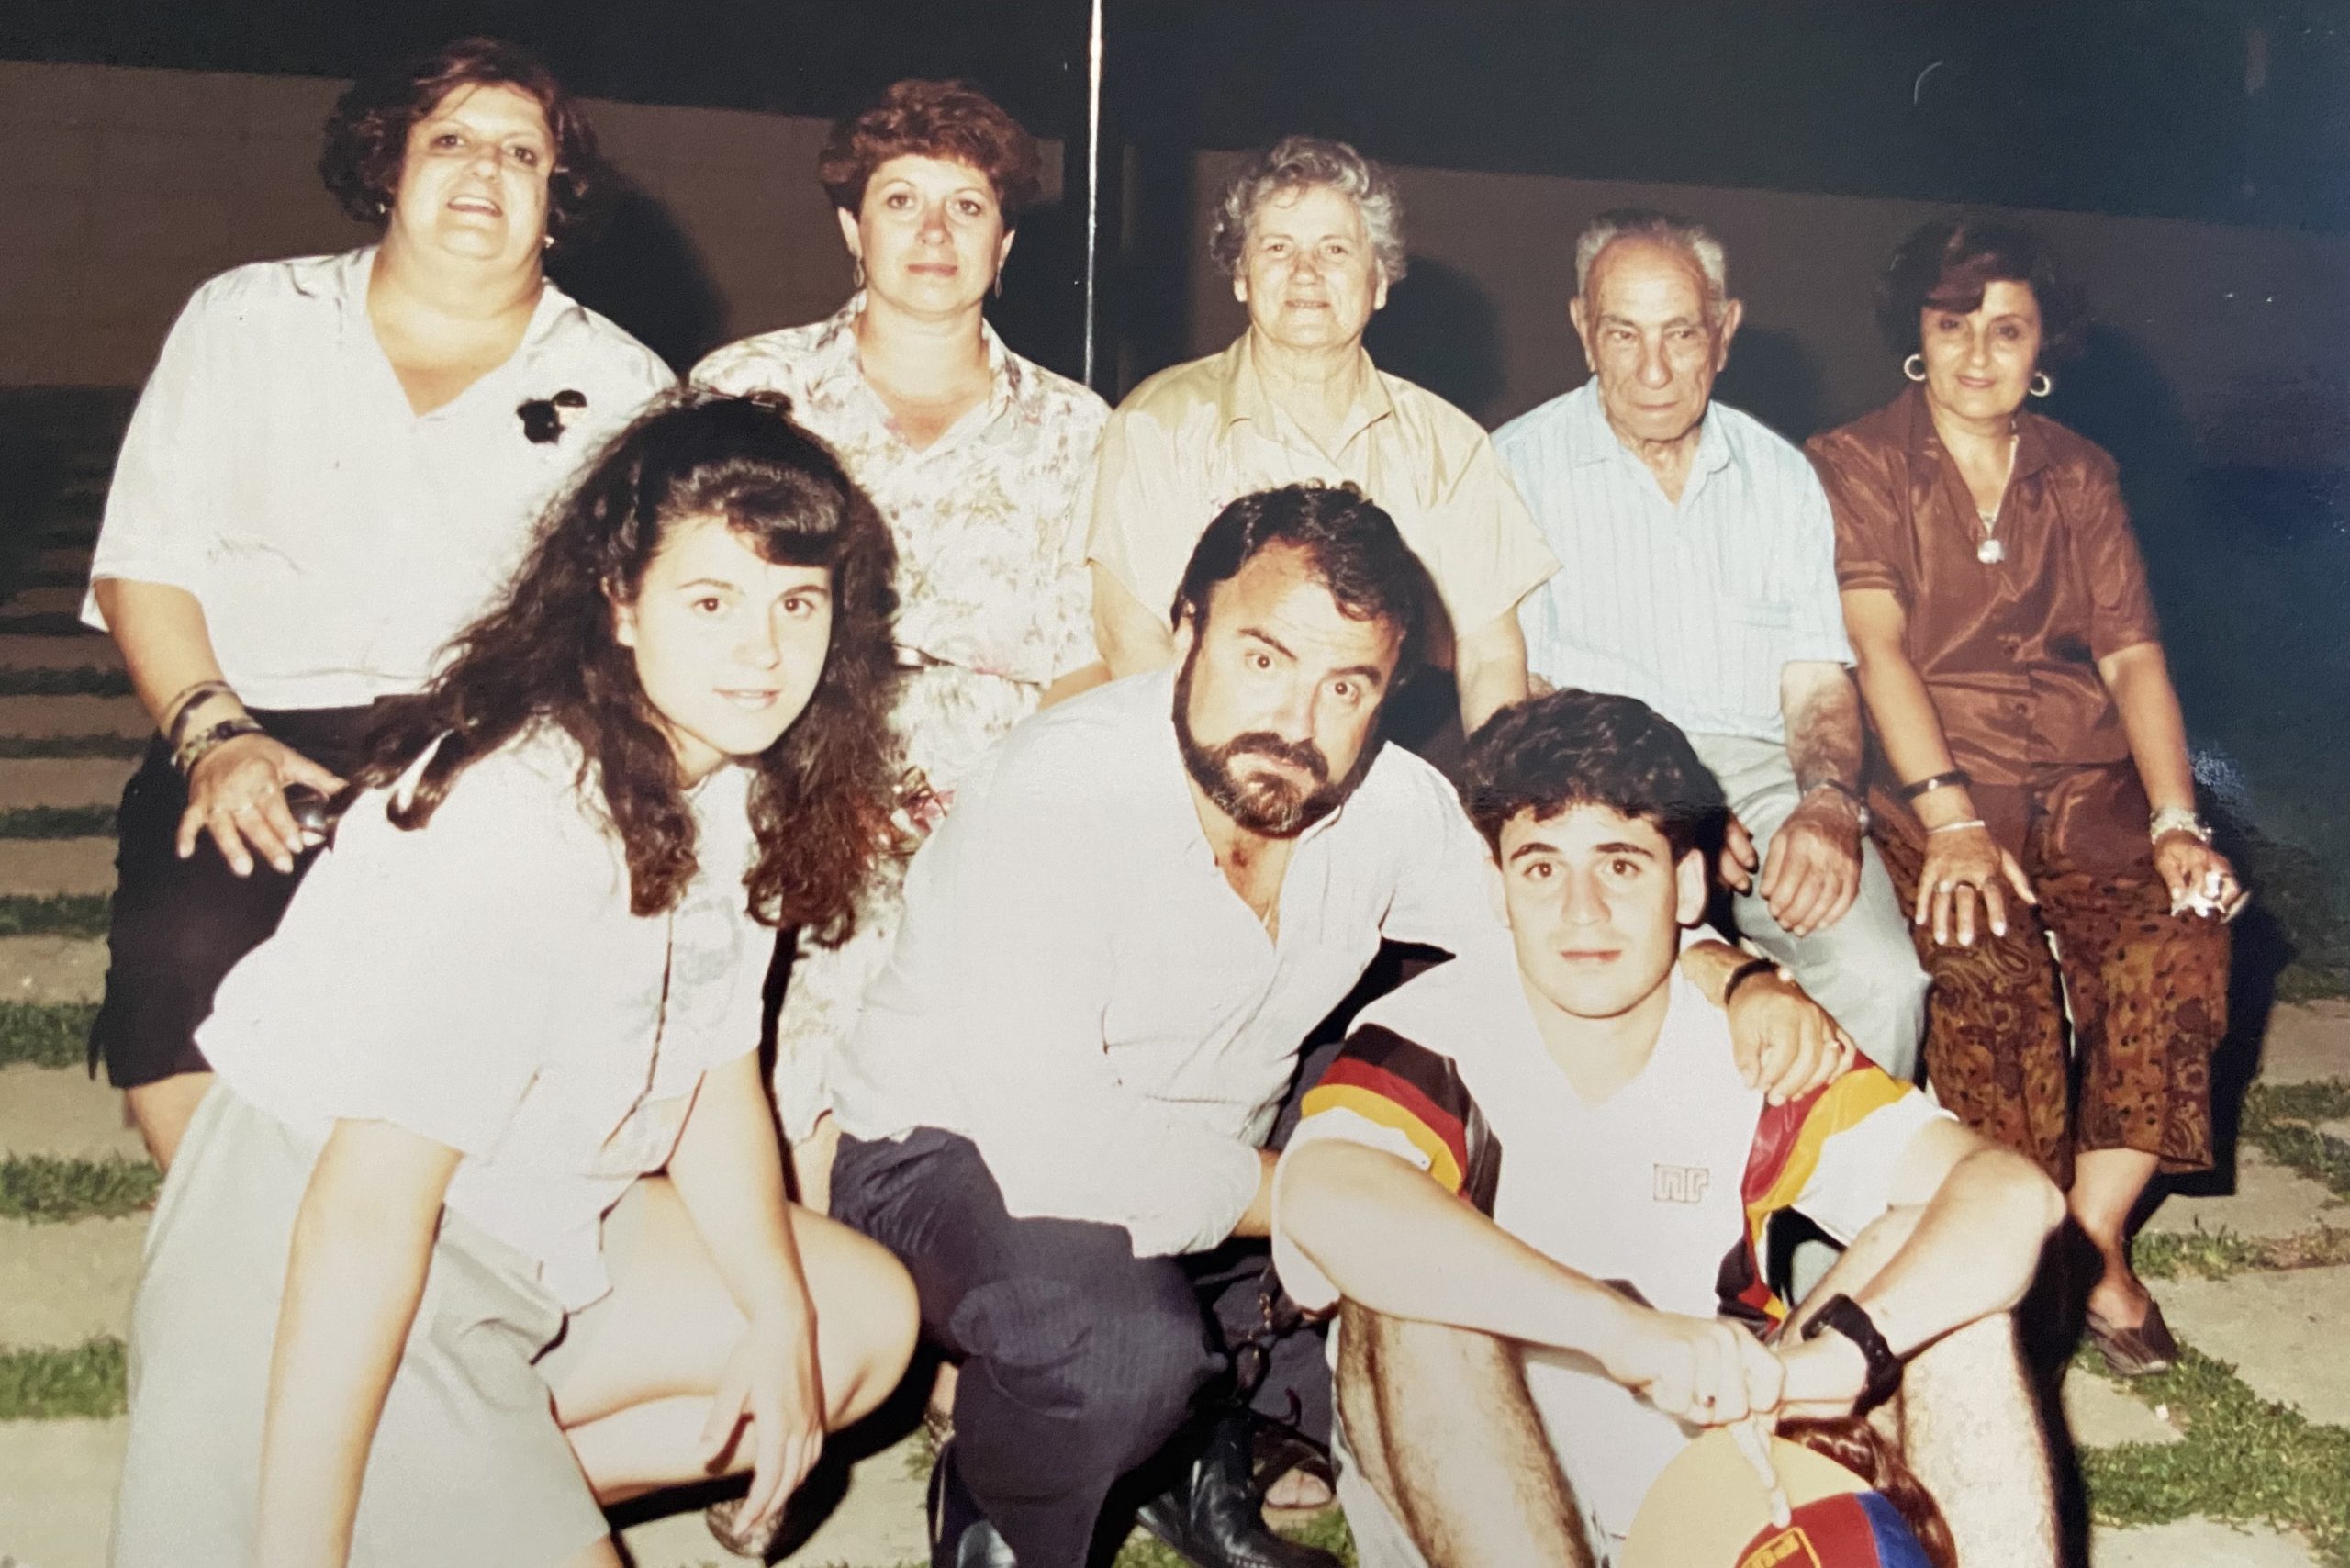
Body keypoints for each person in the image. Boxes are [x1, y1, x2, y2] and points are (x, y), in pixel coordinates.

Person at [823, 483, 1858, 1568]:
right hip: (957, 1159)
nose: (1295, 723)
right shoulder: (1056, 792)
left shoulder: (1385, 800)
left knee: (1463, 1200)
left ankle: (1197, 1443)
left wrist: (1732, 974)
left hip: (1223, 1162)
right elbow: (1055, 1153)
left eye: (1345, 685)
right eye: (1262, 659)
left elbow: (1547, 928)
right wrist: (1334, 1195)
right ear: (1185, 635)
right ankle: (1001, 1494)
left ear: (1387, 690)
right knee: (1121, 1349)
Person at [110, 394, 920, 1568]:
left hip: (512, 1223)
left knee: (857, 1319)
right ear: (620, 605)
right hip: (312, 1246)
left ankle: (443, 1505)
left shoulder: (724, 771)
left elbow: (711, 1067)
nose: (763, 650)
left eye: (797, 602)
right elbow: (363, 1213)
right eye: (711, 600)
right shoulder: (518, 826)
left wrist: (779, 1325)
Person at [1273, 689, 2064, 1568]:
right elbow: (1325, 1189)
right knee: (1414, 1289)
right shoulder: (1431, 1034)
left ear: (1687, 885)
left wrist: (1842, 1360)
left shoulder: (1754, 1046)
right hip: (1471, 1492)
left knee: (1954, 1278)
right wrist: (1620, 1332)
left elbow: (2010, 1192)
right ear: (1496, 886)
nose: (1582, 910)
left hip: (1707, 1485)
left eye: (1620, 866)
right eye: (1541, 867)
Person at [83, 37, 674, 1168]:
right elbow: (143, 560)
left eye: (521, 153)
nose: (482, 171)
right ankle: (233, 1254)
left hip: (488, 752)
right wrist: (215, 739)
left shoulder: (627, 386)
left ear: (556, 200)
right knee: (187, 944)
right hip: (255, 729)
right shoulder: (247, 317)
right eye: (448, 139)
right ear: (387, 167)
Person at [1806, 219, 2242, 1376]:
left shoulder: (2079, 470)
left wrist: (2174, 820)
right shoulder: (1854, 461)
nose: (1978, 355)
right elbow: (1875, 645)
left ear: (2046, 343)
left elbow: (2133, 656)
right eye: (1953, 327)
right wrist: (1947, 817)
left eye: (2006, 329)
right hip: (1933, 794)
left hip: (2084, 790)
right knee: (1988, 975)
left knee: (2185, 933)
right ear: (1918, 335)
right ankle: (2011, 1249)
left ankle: (2086, 1240)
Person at [692, 77, 1111, 1175]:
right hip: (777, 785)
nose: (934, 232)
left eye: (967, 206)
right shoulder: (748, 394)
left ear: (1006, 241)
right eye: (901, 201)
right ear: (850, 227)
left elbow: (1091, 662)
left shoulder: (1079, 429)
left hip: (996, 818)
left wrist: (983, 815)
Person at [1495, 208, 1928, 1083]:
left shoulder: (1781, 477)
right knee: (1637, 989)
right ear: (1584, 330)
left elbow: (1816, 684)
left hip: (1766, 777)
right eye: (1623, 333)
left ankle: (1831, 1212)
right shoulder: (1515, 467)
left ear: (1724, 332)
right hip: (1596, 782)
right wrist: (1674, 807)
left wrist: (1828, 805)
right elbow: (1527, 696)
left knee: (1883, 980)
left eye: (1681, 334)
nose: (1654, 371)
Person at [1087, 136, 1557, 734]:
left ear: (1380, 282)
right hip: (1209, 755)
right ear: (1241, 276)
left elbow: (1490, 655)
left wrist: (1494, 812)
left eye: (1334, 249)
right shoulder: (1160, 424)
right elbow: (1129, 637)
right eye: (1278, 248)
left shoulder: (1449, 445)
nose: (1305, 272)